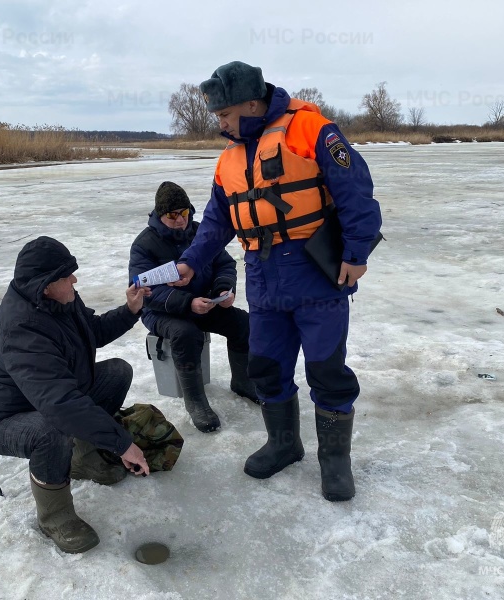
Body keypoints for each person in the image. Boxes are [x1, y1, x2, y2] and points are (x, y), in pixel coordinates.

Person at [171, 61, 383, 501]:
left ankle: (335, 461)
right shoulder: (228, 159)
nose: (221, 124)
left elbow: (356, 192)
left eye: (225, 115)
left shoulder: (313, 130)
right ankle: (284, 444)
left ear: (252, 103)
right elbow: (215, 220)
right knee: (265, 364)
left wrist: (357, 253)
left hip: (315, 273)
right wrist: (192, 261)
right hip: (262, 277)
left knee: (327, 368)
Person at [0, 236, 151, 553]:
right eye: (67, 276)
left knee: (116, 373)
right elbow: (60, 403)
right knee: (52, 429)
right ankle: (55, 516)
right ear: (45, 284)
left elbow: (90, 332)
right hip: (2, 421)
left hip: (47, 402)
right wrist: (122, 443)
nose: (74, 280)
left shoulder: (60, 301)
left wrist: (130, 309)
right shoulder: (21, 328)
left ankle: (82, 459)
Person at [129, 181, 258, 433]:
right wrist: (188, 303)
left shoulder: (201, 234)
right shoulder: (144, 245)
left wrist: (223, 289)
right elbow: (147, 291)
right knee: (186, 333)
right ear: (160, 214)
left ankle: (243, 382)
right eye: (172, 215)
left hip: (205, 303)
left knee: (243, 323)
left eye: (184, 213)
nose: (180, 220)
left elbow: (224, 264)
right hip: (161, 312)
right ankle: (196, 401)